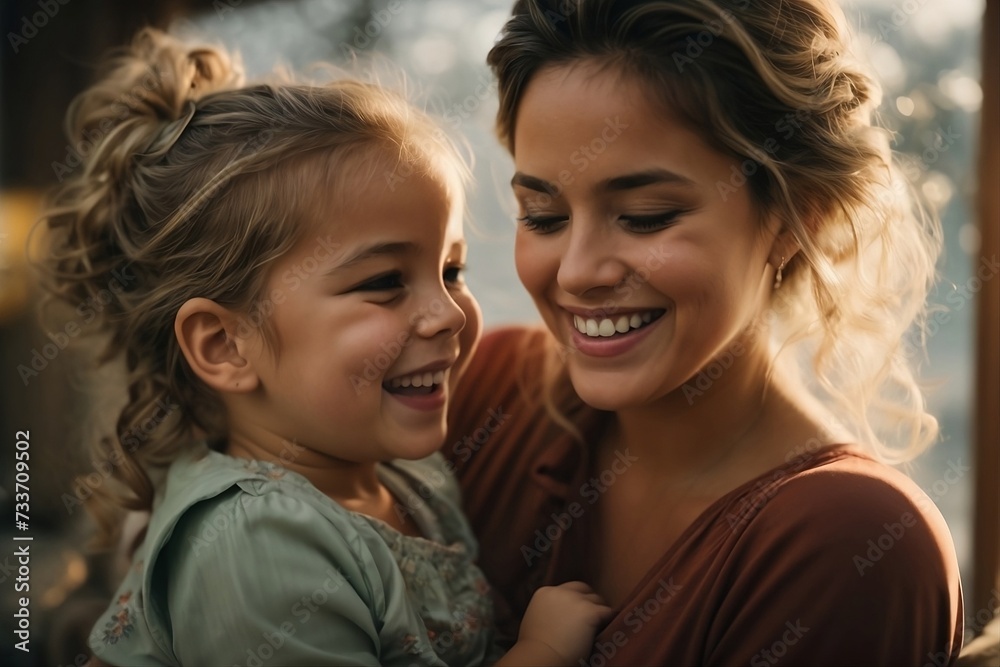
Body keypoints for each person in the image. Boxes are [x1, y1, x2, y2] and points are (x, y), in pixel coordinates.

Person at [37, 28, 611, 666]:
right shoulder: (255, 544)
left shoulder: (394, 469)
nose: (449, 313)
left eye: (452, 271)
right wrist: (543, 651)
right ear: (226, 345)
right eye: (385, 283)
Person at [445, 0, 965, 664]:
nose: (576, 273)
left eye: (644, 215)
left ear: (795, 212)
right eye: (542, 214)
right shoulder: (484, 388)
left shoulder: (851, 542)